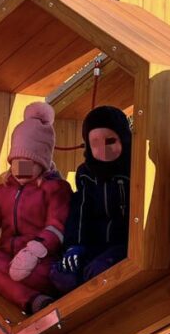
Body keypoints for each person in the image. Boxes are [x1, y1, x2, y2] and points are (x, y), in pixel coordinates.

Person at [0, 101, 72, 314]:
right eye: (15, 161)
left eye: (28, 162)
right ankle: (34, 301)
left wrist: (35, 250)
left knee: (39, 274)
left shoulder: (55, 189)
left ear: (42, 162)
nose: (20, 169)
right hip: (9, 254)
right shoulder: (3, 191)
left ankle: (43, 293)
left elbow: (58, 225)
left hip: (42, 258)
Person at [50, 105, 132, 294]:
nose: (103, 149)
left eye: (110, 141)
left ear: (124, 139)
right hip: (94, 243)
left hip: (123, 244)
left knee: (99, 272)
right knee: (61, 274)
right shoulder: (87, 174)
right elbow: (80, 212)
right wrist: (74, 246)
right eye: (95, 143)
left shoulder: (132, 170)